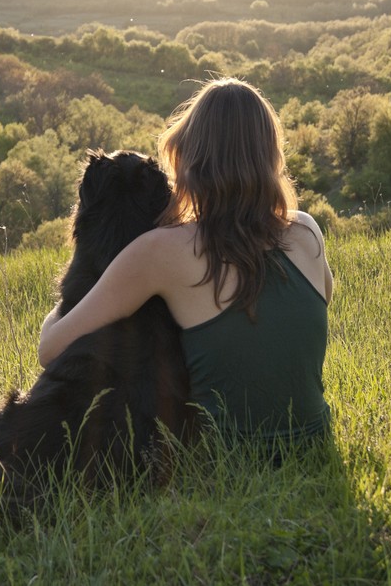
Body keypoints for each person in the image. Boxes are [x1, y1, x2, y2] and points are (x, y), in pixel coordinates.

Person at [38, 77, 333, 458]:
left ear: (189, 158)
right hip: (315, 442)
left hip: (224, 461)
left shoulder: (161, 252)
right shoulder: (307, 231)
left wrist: (64, 304)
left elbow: (50, 349)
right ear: (271, 158)